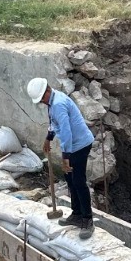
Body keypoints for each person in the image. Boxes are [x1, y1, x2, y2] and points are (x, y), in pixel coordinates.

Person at [27, 78, 95, 233]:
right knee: (70, 180)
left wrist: (65, 157)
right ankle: (77, 214)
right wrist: (48, 138)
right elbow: (54, 122)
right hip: (73, 145)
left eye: (41, 98)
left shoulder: (58, 104)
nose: (41, 102)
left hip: (80, 145)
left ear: (47, 90)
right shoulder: (52, 101)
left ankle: (87, 219)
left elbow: (66, 132)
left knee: (78, 181)